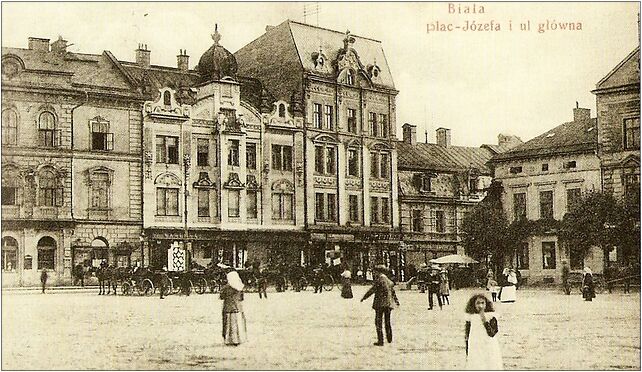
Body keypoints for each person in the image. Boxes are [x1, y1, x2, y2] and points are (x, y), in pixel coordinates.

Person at [361, 265, 400, 346]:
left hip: (380, 304)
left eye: (375, 272)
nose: (374, 273)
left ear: (378, 272)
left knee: (378, 322)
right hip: (388, 304)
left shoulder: (379, 280)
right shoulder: (388, 280)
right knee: (387, 321)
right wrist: (396, 301)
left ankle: (380, 340)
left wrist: (364, 297)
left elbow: (372, 290)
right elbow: (393, 292)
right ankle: (389, 339)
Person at [464, 294, 502, 370]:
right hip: (475, 345)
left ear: (486, 304)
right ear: (473, 304)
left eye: (482, 303)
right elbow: (467, 335)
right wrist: (468, 351)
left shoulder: (491, 316)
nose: (480, 305)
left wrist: (484, 320)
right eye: (477, 303)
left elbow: (492, 333)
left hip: (488, 345)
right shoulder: (470, 317)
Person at [220, 270, 247, 346]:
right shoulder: (240, 287)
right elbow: (242, 298)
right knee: (238, 324)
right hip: (238, 308)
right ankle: (238, 339)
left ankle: (229, 340)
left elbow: (221, 296)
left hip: (228, 307)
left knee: (228, 324)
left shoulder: (226, 287)